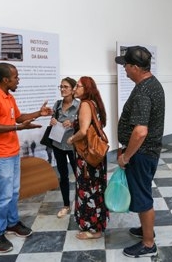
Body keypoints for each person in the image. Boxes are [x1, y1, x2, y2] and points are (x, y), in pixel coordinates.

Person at [0, 62, 53, 253]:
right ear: (6, 79)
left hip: (12, 152)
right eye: (16, 77)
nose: (18, 80)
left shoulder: (8, 96)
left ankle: (12, 223)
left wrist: (39, 113)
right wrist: (18, 128)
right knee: (3, 195)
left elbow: (19, 118)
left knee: (13, 192)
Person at [115, 46, 165, 258]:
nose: (124, 69)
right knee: (142, 193)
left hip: (141, 153)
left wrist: (126, 156)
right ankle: (145, 230)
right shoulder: (152, 84)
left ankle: (148, 243)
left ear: (135, 67)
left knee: (143, 197)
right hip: (148, 152)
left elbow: (140, 131)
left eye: (125, 65)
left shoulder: (144, 91)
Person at [66, 76, 109, 240]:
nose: (75, 88)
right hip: (94, 155)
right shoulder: (94, 103)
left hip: (86, 157)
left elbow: (84, 131)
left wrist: (72, 138)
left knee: (88, 189)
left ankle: (93, 229)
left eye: (78, 86)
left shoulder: (84, 104)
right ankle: (96, 224)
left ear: (87, 89)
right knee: (95, 189)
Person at [50, 77, 80, 218]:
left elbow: (86, 126)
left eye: (66, 86)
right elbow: (53, 122)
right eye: (61, 86)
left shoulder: (79, 106)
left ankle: (82, 203)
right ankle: (66, 205)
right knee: (63, 176)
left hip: (73, 146)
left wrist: (73, 124)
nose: (62, 89)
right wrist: (53, 121)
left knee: (79, 175)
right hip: (58, 145)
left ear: (73, 89)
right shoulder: (57, 104)